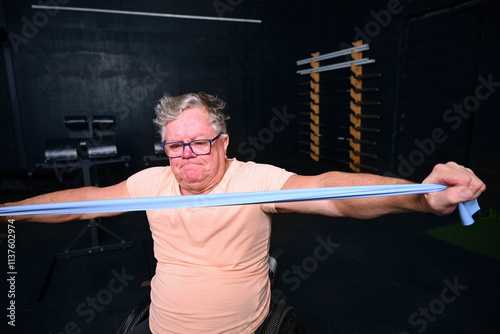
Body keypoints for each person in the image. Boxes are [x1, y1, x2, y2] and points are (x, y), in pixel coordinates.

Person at [1, 92, 486, 334]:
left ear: (224, 142)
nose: (186, 154)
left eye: (198, 141)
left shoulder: (253, 178)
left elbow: (330, 193)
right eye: (174, 145)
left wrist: (420, 196)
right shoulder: (150, 183)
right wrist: (9, 212)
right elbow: (81, 202)